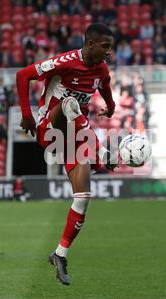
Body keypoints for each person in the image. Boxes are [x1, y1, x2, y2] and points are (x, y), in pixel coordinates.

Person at [16, 23, 117, 285]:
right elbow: (23, 75)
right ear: (91, 44)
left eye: (110, 46)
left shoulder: (101, 70)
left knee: (83, 197)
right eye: (105, 46)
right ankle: (104, 151)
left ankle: (60, 254)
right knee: (69, 103)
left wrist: (111, 105)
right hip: (49, 127)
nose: (109, 51)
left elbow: (104, 84)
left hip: (74, 137)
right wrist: (27, 116)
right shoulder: (66, 62)